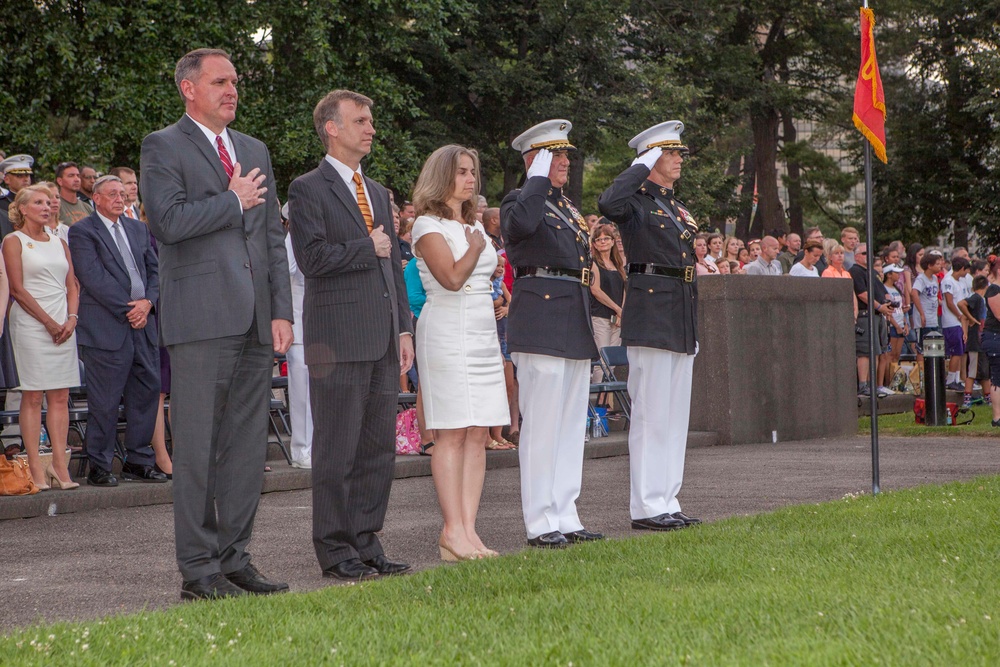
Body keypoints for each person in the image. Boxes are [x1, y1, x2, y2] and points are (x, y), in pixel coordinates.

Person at [140, 48, 294, 601]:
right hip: (201, 319)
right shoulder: (163, 145)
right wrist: (230, 201)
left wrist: (280, 310)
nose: (232, 90)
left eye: (235, 81)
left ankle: (236, 561)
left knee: (248, 450)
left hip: (256, 319)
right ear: (189, 88)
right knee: (200, 450)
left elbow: (272, 238)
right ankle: (199, 572)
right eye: (220, 81)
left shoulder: (253, 149)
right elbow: (169, 221)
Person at [288, 89, 413, 580]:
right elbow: (311, 258)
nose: (371, 128)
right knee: (337, 447)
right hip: (337, 339)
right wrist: (367, 245)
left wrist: (404, 327)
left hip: (383, 337)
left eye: (371, 120)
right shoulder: (308, 188)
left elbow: (393, 267)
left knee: (377, 448)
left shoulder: (378, 191)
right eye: (361, 120)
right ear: (332, 128)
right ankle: (336, 549)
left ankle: (367, 540)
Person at [501, 119, 603, 548]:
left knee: (567, 425)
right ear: (535, 159)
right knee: (542, 426)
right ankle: (541, 520)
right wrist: (536, 181)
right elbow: (520, 229)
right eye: (555, 154)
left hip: (573, 314)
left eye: (565, 154)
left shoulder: (567, 206)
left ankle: (565, 512)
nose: (565, 161)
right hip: (541, 316)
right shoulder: (519, 200)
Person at [598, 119, 701, 532]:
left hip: (681, 312)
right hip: (652, 310)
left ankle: (667, 497)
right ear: (652, 157)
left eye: (677, 153)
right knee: (651, 414)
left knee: (675, 417)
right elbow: (608, 203)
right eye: (670, 153)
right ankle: (646, 504)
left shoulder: (675, 207)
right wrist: (642, 163)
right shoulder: (636, 202)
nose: (678, 159)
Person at [409, 144, 509, 560]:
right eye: (462, 172)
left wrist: (494, 282)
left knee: (477, 433)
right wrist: (473, 250)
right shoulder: (425, 225)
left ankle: (469, 531)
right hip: (447, 332)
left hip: (482, 332)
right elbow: (450, 278)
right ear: (442, 176)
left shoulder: (474, 225)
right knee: (450, 433)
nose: (471, 179)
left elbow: (481, 273)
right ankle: (451, 529)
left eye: (473, 172)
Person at [68, 174, 167, 486]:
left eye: (123, 194)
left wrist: (148, 302)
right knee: (105, 400)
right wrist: (131, 308)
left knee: (146, 395)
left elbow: (155, 269)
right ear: (96, 198)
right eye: (112, 193)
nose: (120, 199)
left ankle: (138, 460)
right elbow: (92, 277)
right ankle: (99, 464)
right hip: (108, 327)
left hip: (144, 326)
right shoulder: (83, 231)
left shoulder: (138, 228)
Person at [3, 184, 79, 491]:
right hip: (32, 326)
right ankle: (35, 465)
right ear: (22, 208)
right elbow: (17, 290)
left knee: (60, 396)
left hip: (64, 324)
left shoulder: (60, 241)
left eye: (49, 202)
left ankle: (60, 465)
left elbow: (72, 284)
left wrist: (71, 319)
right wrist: (49, 323)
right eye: (39, 202)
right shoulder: (13, 240)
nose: (47, 207)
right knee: (33, 395)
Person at [282, 204, 312, 470]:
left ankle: (313, 446)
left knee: (316, 390)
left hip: (318, 324)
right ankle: (301, 449)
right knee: (302, 389)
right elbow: (287, 270)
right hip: (299, 321)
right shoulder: (293, 238)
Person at [850, 243, 894, 397]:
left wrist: (888, 305)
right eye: (863, 253)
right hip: (864, 314)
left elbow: (882, 292)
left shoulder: (872, 272)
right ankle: (863, 384)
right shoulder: (855, 271)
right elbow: (862, 294)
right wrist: (880, 306)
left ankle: (872, 384)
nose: (867, 256)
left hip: (876, 315)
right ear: (856, 256)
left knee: (875, 351)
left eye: (869, 253)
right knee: (865, 351)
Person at [589, 222, 625, 376]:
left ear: (612, 241)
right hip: (600, 316)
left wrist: (621, 312)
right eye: (599, 239)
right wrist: (617, 309)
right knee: (601, 362)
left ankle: (608, 400)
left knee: (613, 363)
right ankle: (599, 399)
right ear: (595, 245)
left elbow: (625, 289)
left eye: (606, 238)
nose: (603, 241)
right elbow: (595, 290)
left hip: (617, 319)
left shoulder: (618, 264)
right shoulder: (593, 263)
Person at [959, 275, 991, 408]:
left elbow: (964, 318)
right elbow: (961, 304)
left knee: (985, 373)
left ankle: (988, 397)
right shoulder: (976, 298)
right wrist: (971, 318)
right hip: (975, 342)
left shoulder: (982, 301)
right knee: (972, 372)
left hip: (982, 341)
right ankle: (967, 398)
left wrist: (965, 328)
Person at [941, 256, 971, 391]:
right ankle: (950, 379)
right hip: (952, 322)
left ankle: (957, 379)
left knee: (960, 350)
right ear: (962, 268)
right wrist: (959, 315)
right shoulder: (948, 281)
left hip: (960, 322)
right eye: (966, 270)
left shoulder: (961, 281)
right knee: (955, 352)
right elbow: (949, 302)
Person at [978, 259, 1000, 427]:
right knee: (997, 377)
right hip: (994, 337)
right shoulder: (993, 289)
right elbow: (999, 315)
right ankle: (997, 417)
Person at [54, 162, 93, 226]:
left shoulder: (87, 208)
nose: (76, 179)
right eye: (71, 176)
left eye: (78, 176)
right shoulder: (55, 206)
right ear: (60, 181)